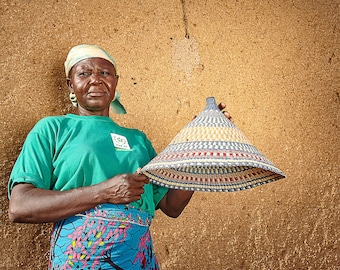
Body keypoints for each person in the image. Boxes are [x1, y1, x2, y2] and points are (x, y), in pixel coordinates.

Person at [8, 44, 233, 269]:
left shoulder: (138, 140)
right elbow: (20, 206)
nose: (95, 80)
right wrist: (103, 192)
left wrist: (198, 151)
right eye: (84, 73)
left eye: (104, 73)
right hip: (81, 257)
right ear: (70, 84)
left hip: (137, 257)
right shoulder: (53, 129)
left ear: (115, 81)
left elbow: (170, 206)